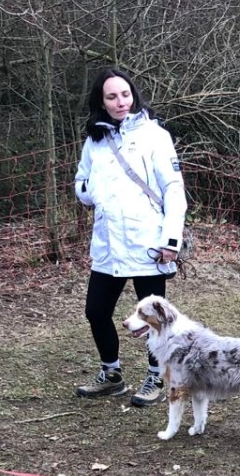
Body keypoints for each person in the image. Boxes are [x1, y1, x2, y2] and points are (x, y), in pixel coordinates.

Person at [73, 67, 187, 404]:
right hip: (108, 244)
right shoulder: (94, 140)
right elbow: (81, 183)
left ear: (133, 95)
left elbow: (173, 188)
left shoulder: (155, 135)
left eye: (125, 94)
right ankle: (111, 373)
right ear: (101, 101)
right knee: (96, 310)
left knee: (154, 318)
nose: (120, 101)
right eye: (112, 96)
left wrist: (171, 240)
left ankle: (156, 375)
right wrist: (92, 190)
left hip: (147, 244)